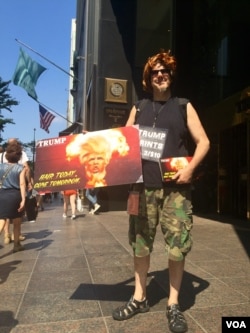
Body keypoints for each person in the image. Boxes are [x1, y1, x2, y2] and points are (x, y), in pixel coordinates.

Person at [112, 50, 210, 333]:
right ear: (148, 78)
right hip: (141, 189)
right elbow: (121, 144)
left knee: (177, 247)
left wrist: (191, 169)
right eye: (155, 71)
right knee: (140, 244)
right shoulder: (139, 108)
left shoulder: (183, 106)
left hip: (175, 191)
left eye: (165, 70)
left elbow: (203, 141)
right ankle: (139, 297)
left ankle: (173, 304)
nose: (160, 74)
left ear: (171, 74)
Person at [0, 138, 30, 244]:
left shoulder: (0, 166)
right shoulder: (20, 168)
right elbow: (22, 184)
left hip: (2, 194)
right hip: (14, 195)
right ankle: (17, 244)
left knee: (2, 219)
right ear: (18, 156)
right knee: (17, 221)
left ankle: (6, 237)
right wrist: (23, 199)